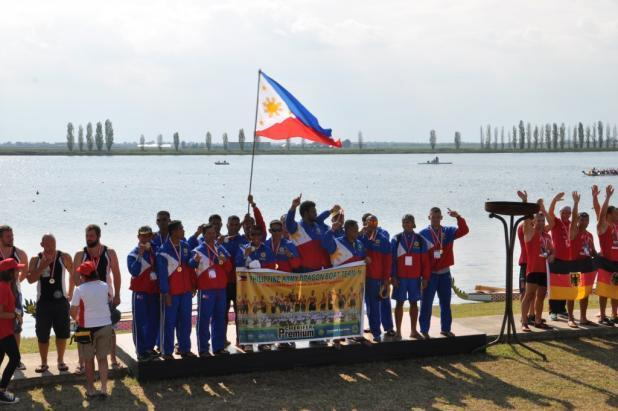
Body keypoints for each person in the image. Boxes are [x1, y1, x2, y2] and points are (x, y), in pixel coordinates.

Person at [72, 224, 122, 372]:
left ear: (98, 236)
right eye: (87, 236)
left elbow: (117, 274)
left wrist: (118, 294)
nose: (89, 239)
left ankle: (113, 359)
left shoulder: (109, 252)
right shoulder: (80, 254)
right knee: (82, 329)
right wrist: (86, 292)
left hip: (106, 296)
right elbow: (75, 277)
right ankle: (81, 363)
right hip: (86, 298)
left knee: (110, 327)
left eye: (92, 236)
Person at [418, 207, 469, 339]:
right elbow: (419, 256)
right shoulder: (422, 234)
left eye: (437, 217)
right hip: (430, 275)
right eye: (433, 217)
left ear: (441, 218)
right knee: (426, 303)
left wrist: (458, 217)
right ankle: (424, 329)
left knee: (445, 302)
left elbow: (464, 230)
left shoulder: (448, 231)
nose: (435, 219)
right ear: (429, 217)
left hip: (445, 273)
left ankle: (445, 329)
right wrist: (421, 275)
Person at [26, 234, 73, 373]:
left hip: (61, 302)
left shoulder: (64, 257)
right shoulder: (35, 259)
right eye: (48, 246)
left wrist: (70, 293)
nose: (51, 249)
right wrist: (42, 267)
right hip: (43, 303)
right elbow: (30, 280)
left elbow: (74, 274)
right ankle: (44, 363)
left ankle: (60, 361)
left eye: (53, 246)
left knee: (62, 333)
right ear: (42, 245)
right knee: (42, 334)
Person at [69, 261, 114, 399]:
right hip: (105, 325)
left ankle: (91, 389)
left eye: (81, 274)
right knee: (102, 359)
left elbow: (72, 310)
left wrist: (76, 318)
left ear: (84, 275)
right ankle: (104, 388)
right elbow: (109, 300)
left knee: (88, 360)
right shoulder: (105, 286)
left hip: (84, 327)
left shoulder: (79, 289)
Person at [189, 223, 232, 357]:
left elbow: (229, 268)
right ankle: (203, 349)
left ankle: (218, 347)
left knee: (219, 318)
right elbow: (190, 265)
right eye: (209, 233)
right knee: (204, 319)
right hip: (206, 290)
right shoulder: (198, 250)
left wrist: (224, 262)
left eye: (213, 233)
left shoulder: (221, 249)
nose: (212, 236)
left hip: (220, 289)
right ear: (204, 235)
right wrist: (194, 262)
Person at [156, 220, 196, 359]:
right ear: (173, 232)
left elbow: (190, 266)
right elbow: (162, 275)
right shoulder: (163, 250)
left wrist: (193, 285)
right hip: (171, 293)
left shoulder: (185, 246)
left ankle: (185, 349)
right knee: (169, 322)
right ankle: (167, 351)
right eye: (181, 228)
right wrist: (165, 293)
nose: (183, 231)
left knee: (185, 321)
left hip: (185, 291)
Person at [390, 215, 431, 340]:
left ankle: (413, 331)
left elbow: (425, 261)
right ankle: (398, 332)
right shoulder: (396, 239)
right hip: (401, 278)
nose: (407, 224)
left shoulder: (419, 239)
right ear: (402, 224)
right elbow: (392, 260)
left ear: (414, 224)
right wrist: (393, 277)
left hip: (415, 278)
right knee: (399, 303)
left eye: (410, 222)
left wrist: (425, 278)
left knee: (414, 303)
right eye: (405, 222)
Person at [360, 214, 396, 339]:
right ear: (365, 222)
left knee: (377, 305)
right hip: (362, 278)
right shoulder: (360, 238)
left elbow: (388, 262)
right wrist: (360, 234)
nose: (372, 223)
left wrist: (386, 279)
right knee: (370, 306)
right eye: (369, 221)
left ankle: (379, 332)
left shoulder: (383, 239)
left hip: (377, 279)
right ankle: (374, 330)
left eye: (374, 221)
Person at [127, 226, 160, 361]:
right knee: (139, 322)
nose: (145, 238)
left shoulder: (156, 250)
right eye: (143, 236)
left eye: (148, 236)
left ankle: (149, 348)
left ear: (152, 236)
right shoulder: (133, 254)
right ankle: (140, 351)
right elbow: (134, 272)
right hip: (140, 292)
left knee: (153, 321)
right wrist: (141, 255)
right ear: (138, 237)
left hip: (154, 291)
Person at [521, 201, 554, 332]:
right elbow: (525, 221)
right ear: (533, 221)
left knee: (541, 296)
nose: (540, 223)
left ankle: (538, 321)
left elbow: (553, 250)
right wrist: (525, 201)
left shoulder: (547, 236)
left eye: (542, 220)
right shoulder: (530, 233)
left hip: (544, 271)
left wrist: (552, 255)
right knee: (529, 295)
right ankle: (524, 322)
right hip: (533, 270)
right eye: (538, 220)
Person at [286, 195, 338, 272]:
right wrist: (293, 206)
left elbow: (321, 217)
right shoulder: (296, 228)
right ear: (305, 213)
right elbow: (289, 222)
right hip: (304, 272)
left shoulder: (318, 225)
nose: (316, 214)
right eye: (313, 212)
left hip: (320, 271)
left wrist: (331, 211)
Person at [0, 225, 28, 371]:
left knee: (16, 327)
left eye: (12, 235)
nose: (11, 238)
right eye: (8, 236)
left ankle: (16, 359)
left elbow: (25, 271)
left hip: (15, 294)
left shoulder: (19, 253)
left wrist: (14, 284)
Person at [567, 192, 596, 327]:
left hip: (586, 266)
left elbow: (593, 252)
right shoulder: (574, 231)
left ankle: (583, 318)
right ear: (578, 221)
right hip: (574, 266)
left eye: (586, 220)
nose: (584, 222)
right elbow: (572, 219)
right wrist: (576, 203)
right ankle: (570, 318)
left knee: (585, 293)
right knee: (573, 292)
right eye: (581, 220)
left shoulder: (590, 235)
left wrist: (603, 256)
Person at [220, 215, 249, 344]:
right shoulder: (220, 240)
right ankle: (222, 339)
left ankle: (240, 339)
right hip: (224, 283)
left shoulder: (244, 240)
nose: (234, 227)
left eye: (237, 225)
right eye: (231, 224)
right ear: (227, 226)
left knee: (240, 314)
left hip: (240, 283)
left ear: (240, 226)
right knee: (222, 314)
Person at [0, 258, 24, 405]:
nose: (18, 271)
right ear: (9, 272)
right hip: (3, 332)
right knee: (15, 359)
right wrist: (15, 315)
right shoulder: (2, 287)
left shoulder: (7, 285)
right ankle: (2, 391)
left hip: (5, 330)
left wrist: (15, 314)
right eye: (16, 269)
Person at [546, 193, 571, 320]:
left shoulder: (572, 225)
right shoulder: (556, 222)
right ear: (560, 214)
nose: (566, 215)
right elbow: (550, 212)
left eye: (568, 213)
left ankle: (562, 309)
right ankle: (552, 311)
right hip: (556, 259)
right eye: (563, 213)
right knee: (554, 286)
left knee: (566, 285)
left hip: (569, 260)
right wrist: (554, 200)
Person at [596, 185, 618, 325]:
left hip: (616, 263)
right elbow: (601, 212)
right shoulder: (603, 226)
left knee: (616, 290)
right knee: (604, 291)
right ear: (609, 215)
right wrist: (607, 197)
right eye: (616, 213)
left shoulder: (617, 225)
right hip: (605, 262)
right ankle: (603, 316)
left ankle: (614, 314)